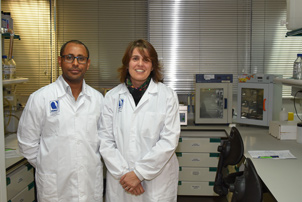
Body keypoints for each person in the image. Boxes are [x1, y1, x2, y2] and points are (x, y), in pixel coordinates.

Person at [17, 40, 104, 202]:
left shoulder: (98, 100)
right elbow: (27, 144)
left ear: (88, 63)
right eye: (69, 57)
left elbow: (104, 141)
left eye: (81, 58)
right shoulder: (40, 98)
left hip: (89, 183)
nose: (75, 63)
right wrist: (50, 165)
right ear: (60, 61)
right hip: (54, 187)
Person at [99, 39, 180, 202]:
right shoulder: (112, 97)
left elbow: (169, 140)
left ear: (153, 66)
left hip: (157, 182)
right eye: (135, 58)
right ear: (127, 63)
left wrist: (138, 174)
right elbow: (105, 140)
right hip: (121, 180)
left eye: (146, 60)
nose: (140, 64)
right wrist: (126, 176)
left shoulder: (167, 95)